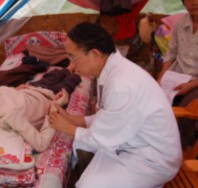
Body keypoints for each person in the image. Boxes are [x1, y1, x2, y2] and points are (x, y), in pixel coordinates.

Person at [48, 22, 182, 187]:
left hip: (153, 160)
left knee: (87, 185)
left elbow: (101, 137)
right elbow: (108, 117)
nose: (72, 65)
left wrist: (67, 127)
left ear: (95, 54)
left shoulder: (121, 84)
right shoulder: (111, 70)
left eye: (73, 57)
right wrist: (71, 119)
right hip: (132, 144)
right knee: (82, 168)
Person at [157, 0, 198, 150]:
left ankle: (184, 148)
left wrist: (190, 86)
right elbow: (171, 54)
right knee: (155, 100)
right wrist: (162, 77)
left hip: (195, 82)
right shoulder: (180, 24)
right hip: (177, 77)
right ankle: (158, 144)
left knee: (187, 107)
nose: (194, 2)